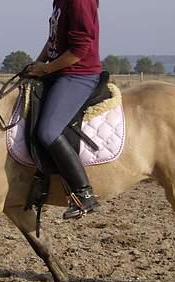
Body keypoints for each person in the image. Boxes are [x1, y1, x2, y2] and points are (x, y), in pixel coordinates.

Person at [27, 0, 101, 220]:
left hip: (79, 74)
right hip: (59, 72)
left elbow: (80, 49)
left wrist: (47, 68)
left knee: (48, 131)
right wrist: (36, 64)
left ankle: (83, 193)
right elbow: (54, 41)